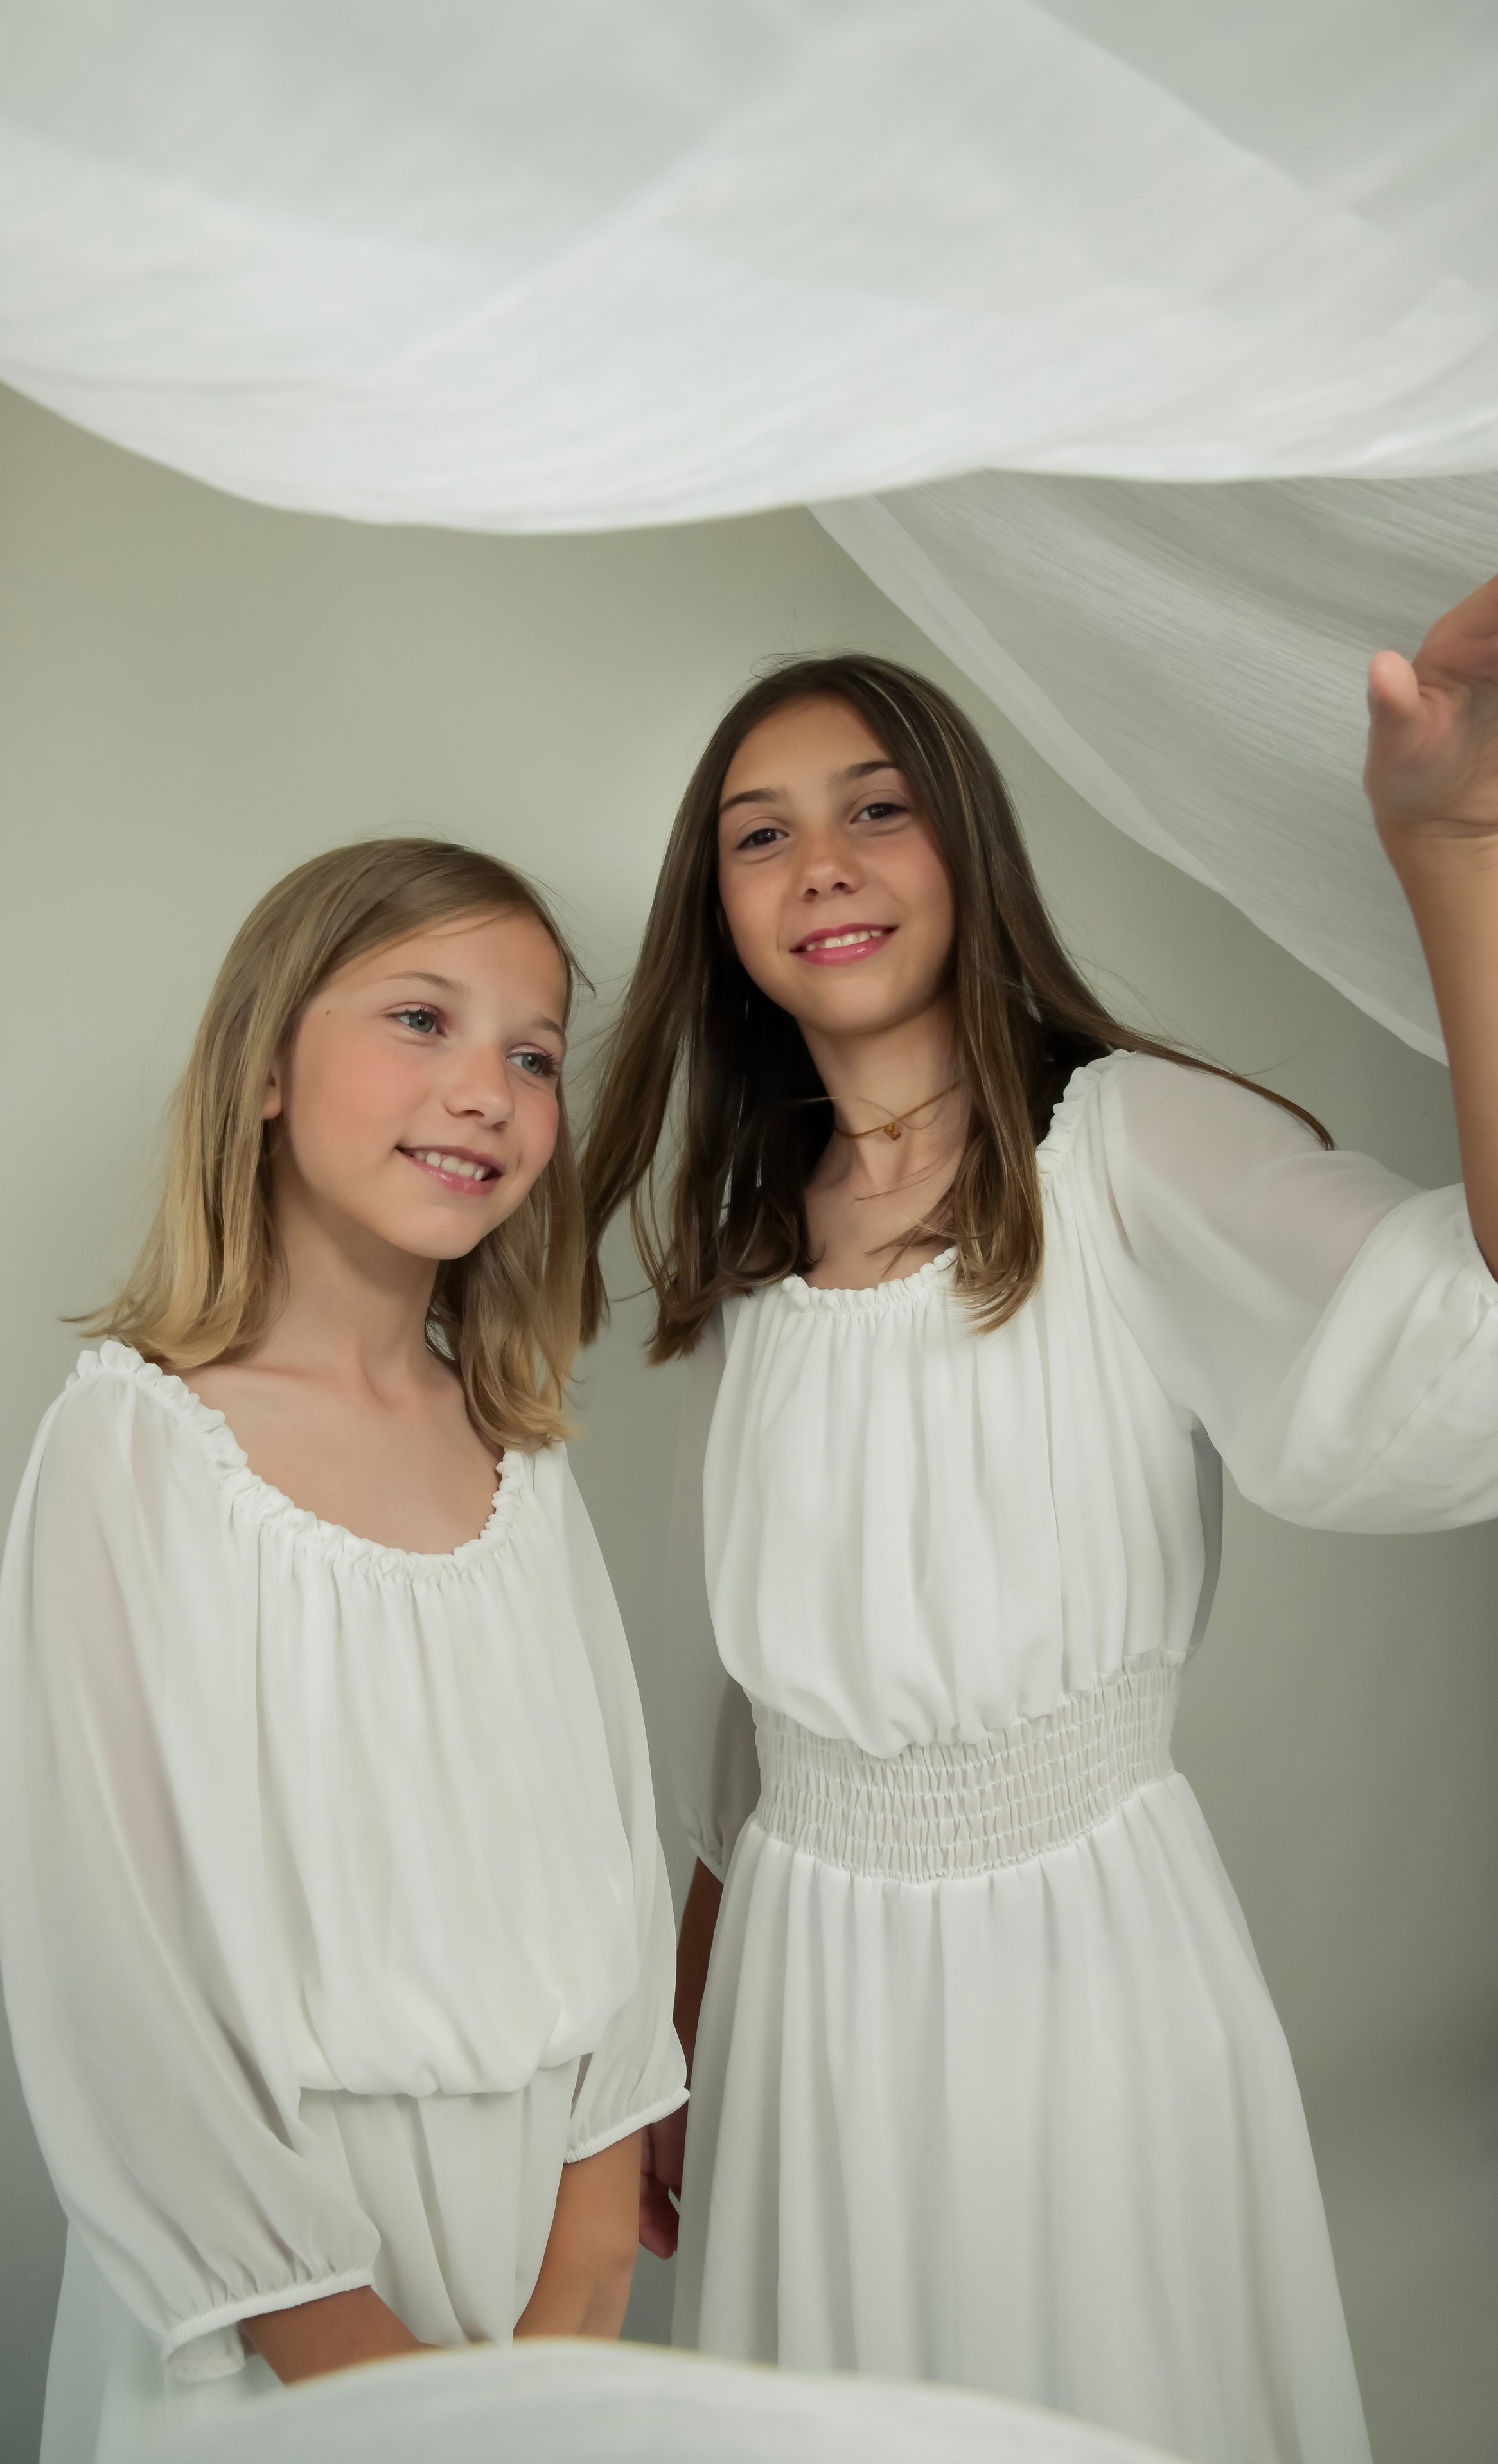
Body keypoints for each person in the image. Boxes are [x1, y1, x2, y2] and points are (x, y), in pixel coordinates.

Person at [582, 580, 1498, 2464]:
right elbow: (746, 1706)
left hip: (1077, 1960)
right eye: (761, 833)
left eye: (874, 804)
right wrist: (684, 2027)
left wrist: (1450, 854)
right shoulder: (757, 1235)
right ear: (721, 914)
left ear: (969, 846)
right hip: (804, 1986)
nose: (820, 860)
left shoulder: (1130, 1146)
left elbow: (1457, 1322)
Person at [0, 839, 686, 2460]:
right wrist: (372, 2377)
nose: (489, 1091)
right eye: (420, 1018)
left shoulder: (517, 1456)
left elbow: (614, 1879)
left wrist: (580, 2267)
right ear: (265, 1075)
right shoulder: (136, 1452)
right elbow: (115, 1978)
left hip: (530, 2257)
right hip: (271, 2301)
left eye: (529, 1053)